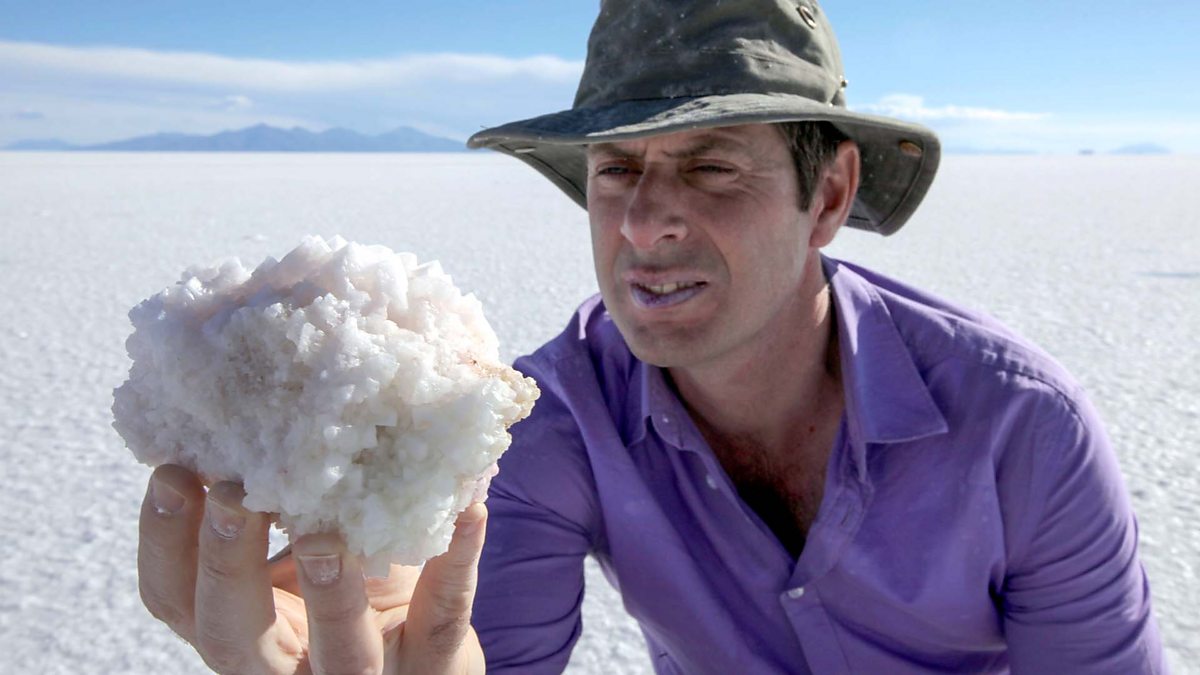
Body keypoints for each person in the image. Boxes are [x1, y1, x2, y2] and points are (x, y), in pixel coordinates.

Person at [136, 1, 1166, 673]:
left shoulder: (1018, 429)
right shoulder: (544, 426)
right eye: (617, 170)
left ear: (828, 195)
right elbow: (474, 647)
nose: (642, 223)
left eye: (712, 166)